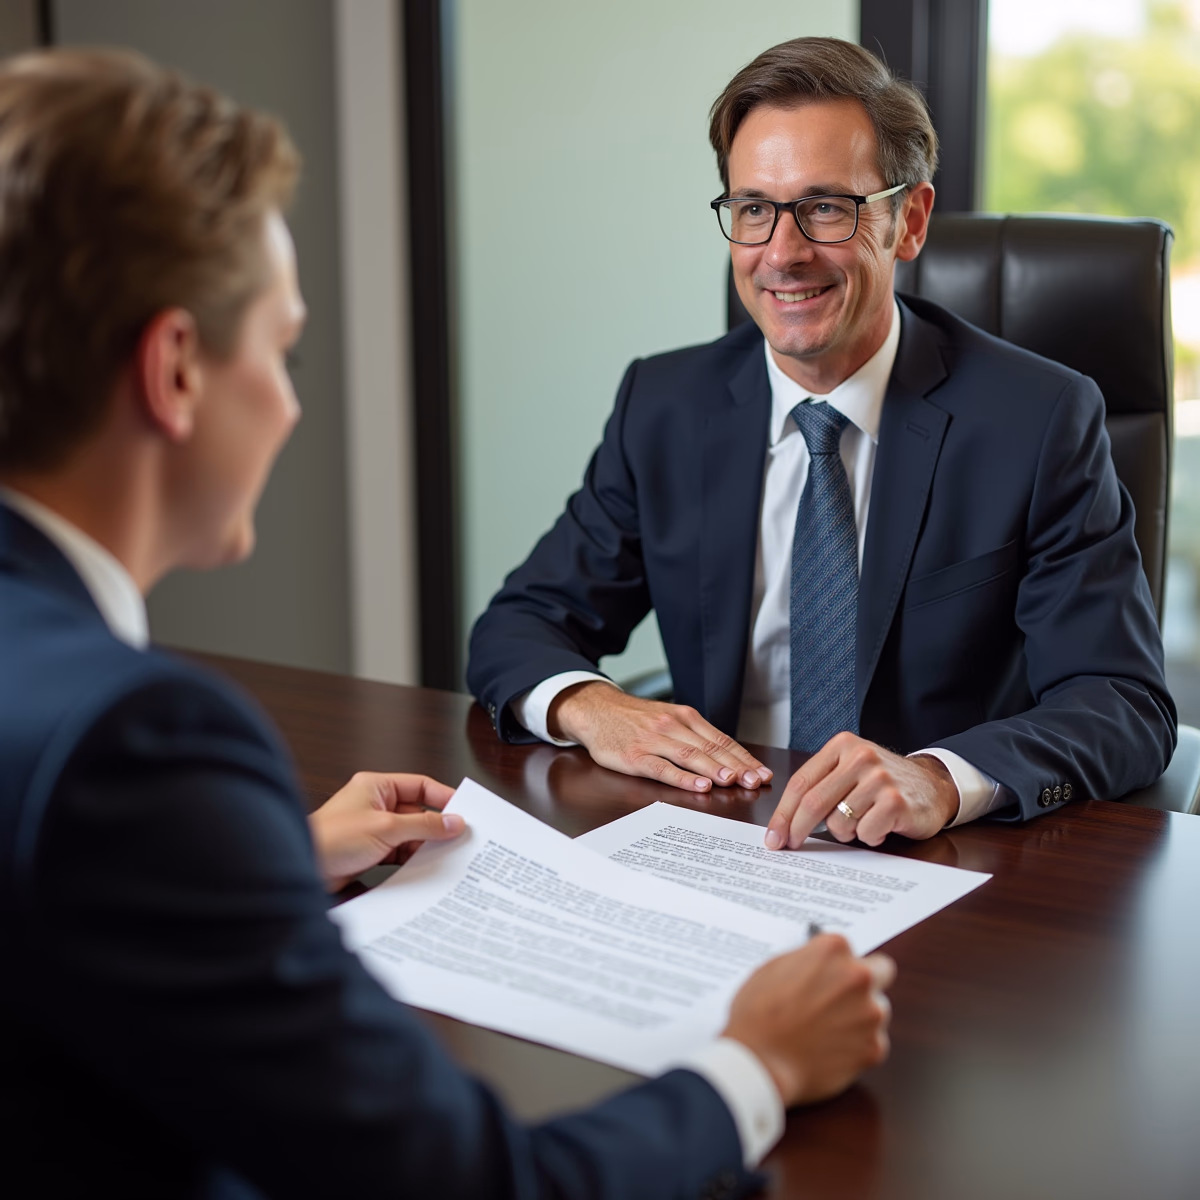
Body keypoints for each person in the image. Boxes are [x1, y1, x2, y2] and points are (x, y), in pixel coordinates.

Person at [0, 48, 893, 1199]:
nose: (293, 403)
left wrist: (263, 861)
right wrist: (754, 1066)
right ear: (175, 372)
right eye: (282, 349)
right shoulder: (138, 740)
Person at [467, 36, 1175, 850]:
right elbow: (519, 624)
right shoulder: (664, 406)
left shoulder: (1038, 420)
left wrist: (942, 777)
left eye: (827, 207)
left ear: (910, 221)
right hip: (715, 840)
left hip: (936, 859)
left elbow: (1122, 702)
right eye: (754, 209)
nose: (783, 253)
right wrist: (592, 707)